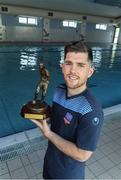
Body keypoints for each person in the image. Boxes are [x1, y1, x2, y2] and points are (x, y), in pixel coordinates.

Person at [30, 41, 104, 179]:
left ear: (90, 72)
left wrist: (48, 134)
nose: (73, 71)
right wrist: (45, 115)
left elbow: (83, 155)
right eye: (68, 63)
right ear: (62, 67)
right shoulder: (59, 90)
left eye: (80, 65)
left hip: (68, 174)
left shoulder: (91, 110)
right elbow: (58, 117)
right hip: (50, 164)